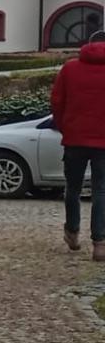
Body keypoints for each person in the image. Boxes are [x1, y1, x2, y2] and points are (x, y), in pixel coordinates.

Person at [51, 29, 105, 260]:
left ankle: (72, 232)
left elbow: (57, 102)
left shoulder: (70, 68)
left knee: (72, 188)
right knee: (101, 190)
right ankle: (100, 243)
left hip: (74, 139)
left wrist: (66, 127)